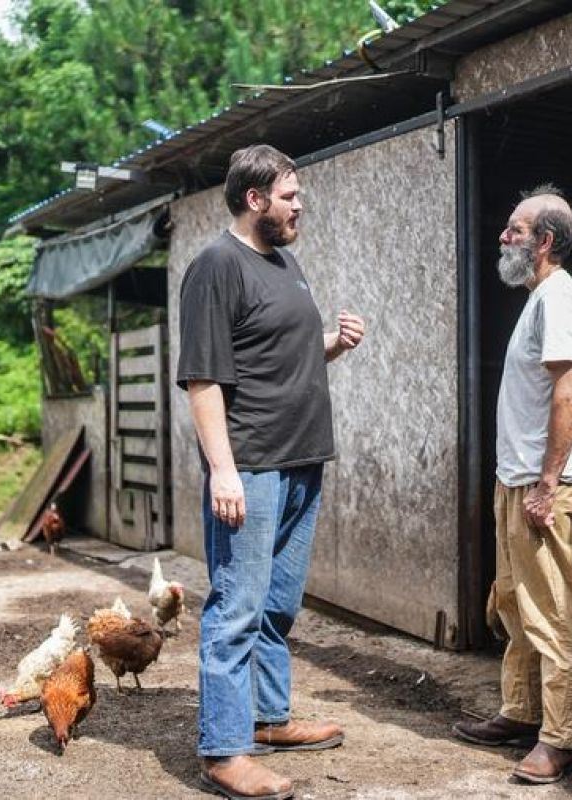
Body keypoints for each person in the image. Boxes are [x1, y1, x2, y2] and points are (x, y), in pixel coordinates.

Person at [176, 143, 365, 800]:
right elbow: (203, 378)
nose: (299, 205)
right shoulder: (215, 267)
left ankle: (268, 718)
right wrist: (222, 472)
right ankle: (224, 751)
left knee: (277, 606)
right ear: (255, 200)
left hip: (301, 461)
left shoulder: (284, 264)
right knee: (236, 607)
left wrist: (332, 344)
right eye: (290, 196)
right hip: (251, 467)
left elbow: (279, 355)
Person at [452, 185, 572, 785]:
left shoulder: (559, 300)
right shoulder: (539, 299)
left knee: (554, 611)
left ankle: (560, 740)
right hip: (518, 481)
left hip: (542, 485)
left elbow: (571, 393)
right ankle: (521, 711)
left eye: (515, 229)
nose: (503, 236)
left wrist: (546, 482)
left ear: (544, 241)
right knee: (515, 602)